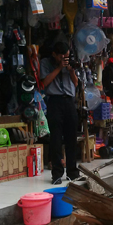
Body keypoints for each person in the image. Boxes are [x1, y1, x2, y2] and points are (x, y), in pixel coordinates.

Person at [40, 42, 80, 184]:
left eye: (67, 56)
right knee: (56, 139)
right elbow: (44, 83)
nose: (64, 58)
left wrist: (70, 70)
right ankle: (56, 173)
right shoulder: (46, 63)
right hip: (54, 101)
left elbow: (75, 83)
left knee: (71, 138)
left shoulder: (70, 64)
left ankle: (72, 172)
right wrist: (59, 68)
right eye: (61, 56)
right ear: (54, 55)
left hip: (69, 101)